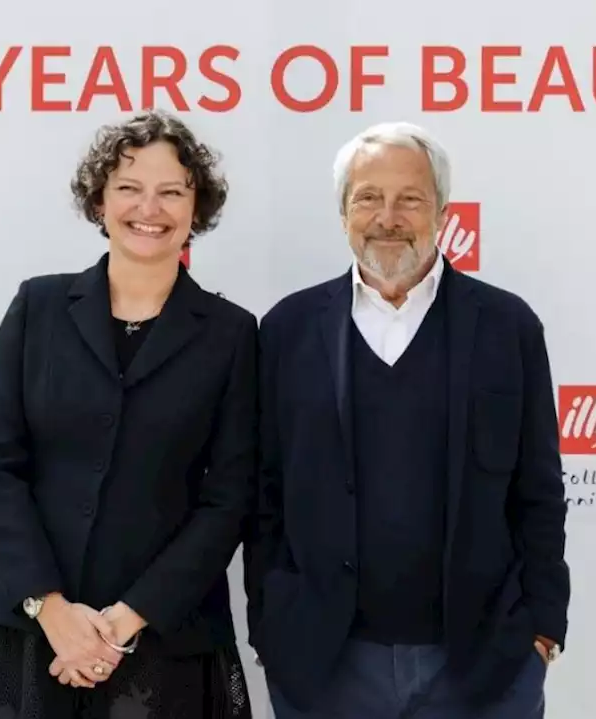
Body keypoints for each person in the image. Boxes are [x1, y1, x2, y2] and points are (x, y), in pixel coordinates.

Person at [244, 121, 570, 719]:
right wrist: (271, 626)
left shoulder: (507, 327)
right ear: (343, 212)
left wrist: (542, 628)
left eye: (409, 199)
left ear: (441, 211)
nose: (387, 217)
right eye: (368, 197)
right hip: (324, 666)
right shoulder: (287, 330)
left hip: (484, 664)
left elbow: (539, 489)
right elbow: (264, 494)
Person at [0, 110, 256, 719]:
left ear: (197, 209)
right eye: (129, 188)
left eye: (172, 191)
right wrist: (53, 610)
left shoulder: (232, 334)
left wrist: (124, 620)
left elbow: (229, 498)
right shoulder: (37, 306)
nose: (151, 208)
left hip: (165, 639)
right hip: (31, 629)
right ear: (99, 201)